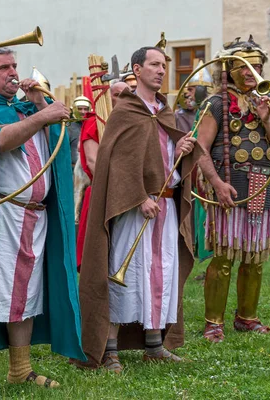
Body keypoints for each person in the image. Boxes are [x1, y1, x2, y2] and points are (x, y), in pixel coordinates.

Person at [0, 47, 85, 399]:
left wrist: (40, 104)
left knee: (26, 294)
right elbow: (0, 141)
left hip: (34, 216)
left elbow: (57, 141)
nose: (12, 72)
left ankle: (20, 369)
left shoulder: (24, 108)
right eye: (3, 67)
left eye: (14, 65)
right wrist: (39, 117)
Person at [74, 46, 198, 373]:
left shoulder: (164, 111)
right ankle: (109, 348)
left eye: (164, 65)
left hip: (166, 206)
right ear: (138, 69)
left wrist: (182, 149)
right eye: (154, 64)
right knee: (124, 272)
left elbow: (167, 161)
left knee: (162, 273)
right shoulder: (126, 112)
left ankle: (154, 344)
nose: (161, 70)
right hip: (134, 208)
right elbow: (116, 163)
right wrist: (139, 196)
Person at [197, 37, 270, 343]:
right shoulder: (216, 103)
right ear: (229, 69)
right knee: (224, 257)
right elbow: (200, 149)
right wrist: (218, 184)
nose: (254, 71)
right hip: (229, 187)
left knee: (255, 258)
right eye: (247, 66)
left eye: (258, 66)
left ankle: (247, 318)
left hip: (263, 185)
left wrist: (266, 118)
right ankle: (214, 323)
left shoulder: (268, 105)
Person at [75, 81, 126, 269]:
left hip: (127, 195)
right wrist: (115, 188)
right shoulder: (94, 121)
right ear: (107, 96)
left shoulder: (131, 121)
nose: (121, 99)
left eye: (126, 94)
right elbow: (92, 161)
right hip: (103, 192)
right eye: (116, 94)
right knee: (99, 257)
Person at [67, 96, 92, 169]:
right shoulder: (68, 127)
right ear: (73, 109)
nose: (83, 112)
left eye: (86, 109)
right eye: (80, 109)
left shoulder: (93, 126)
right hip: (73, 169)